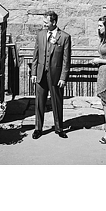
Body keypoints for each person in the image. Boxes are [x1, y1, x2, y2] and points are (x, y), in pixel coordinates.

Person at [32, 10, 72, 138]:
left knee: (57, 101)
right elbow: (36, 55)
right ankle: (38, 128)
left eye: (46, 22)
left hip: (55, 75)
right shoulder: (40, 34)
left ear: (54, 22)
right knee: (39, 101)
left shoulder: (65, 37)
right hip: (40, 73)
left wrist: (63, 77)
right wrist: (33, 73)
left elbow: (66, 60)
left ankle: (59, 128)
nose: (44, 25)